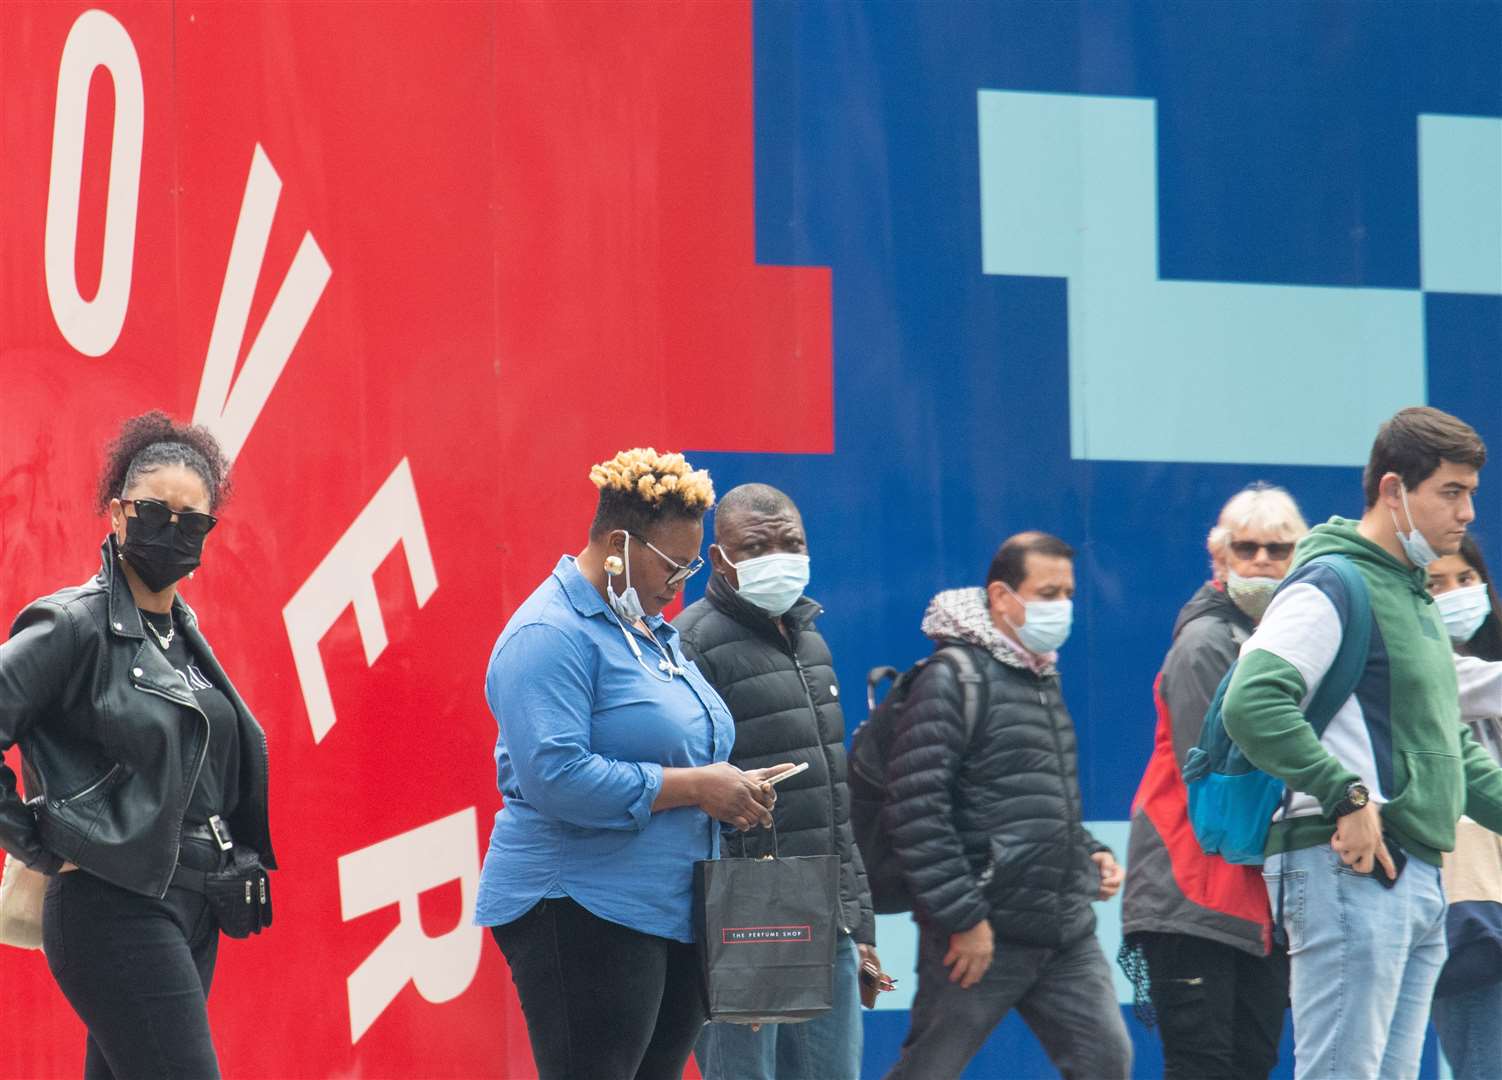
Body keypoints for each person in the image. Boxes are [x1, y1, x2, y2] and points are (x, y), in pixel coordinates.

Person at [475, 448, 792, 1080]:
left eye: (694, 563)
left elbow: (688, 747)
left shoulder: (647, 630)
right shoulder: (549, 634)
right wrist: (698, 786)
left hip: (668, 906)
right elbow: (558, 777)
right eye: (675, 563)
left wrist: (732, 791)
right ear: (618, 544)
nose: (683, 582)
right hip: (582, 903)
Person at [1222, 406, 1502, 1079]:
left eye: (1472, 494)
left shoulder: (1412, 595)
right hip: (1347, 867)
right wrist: (1342, 793)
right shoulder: (1334, 581)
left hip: (1419, 875)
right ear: (1392, 490)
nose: (1466, 514)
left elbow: (1452, 753)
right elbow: (1250, 701)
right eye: (1451, 492)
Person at [0, 411, 275, 1079]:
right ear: (118, 513)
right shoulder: (75, 625)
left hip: (190, 906)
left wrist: (232, 858)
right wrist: (40, 842)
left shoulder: (184, 638)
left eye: (193, 521)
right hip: (113, 905)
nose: (174, 531)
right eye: (157, 511)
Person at [881, 532, 1132, 1080]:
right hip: (981, 936)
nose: (1061, 607)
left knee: (1107, 1064)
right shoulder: (952, 678)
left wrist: (1088, 851)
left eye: (1068, 592)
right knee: (928, 1070)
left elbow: (1038, 795)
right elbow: (916, 810)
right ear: (1000, 596)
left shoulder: (1041, 672)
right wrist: (964, 918)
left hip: (1066, 932)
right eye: (1047, 592)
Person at [675, 483, 882, 1080]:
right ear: (720, 558)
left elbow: (833, 803)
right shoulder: (691, 644)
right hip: (743, 916)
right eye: (755, 546)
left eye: (791, 544)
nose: (778, 558)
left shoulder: (810, 640)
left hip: (826, 912)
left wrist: (858, 923)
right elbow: (689, 798)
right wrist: (725, 941)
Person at [1119, 483, 1305, 1079]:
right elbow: (1228, 775)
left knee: (1251, 1063)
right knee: (1205, 1068)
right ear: (1218, 556)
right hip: (1191, 887)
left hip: (1251, 893)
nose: (1261, 562)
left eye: (1278, 550)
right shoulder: (1205, 643)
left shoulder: (1282, 640)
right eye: (1245, 548)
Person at [1425, 534, 1502, 1080]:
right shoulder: (1427, 669)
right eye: (1435, 584)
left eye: (1464, 579)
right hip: (1472, 908)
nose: (1454, 594)